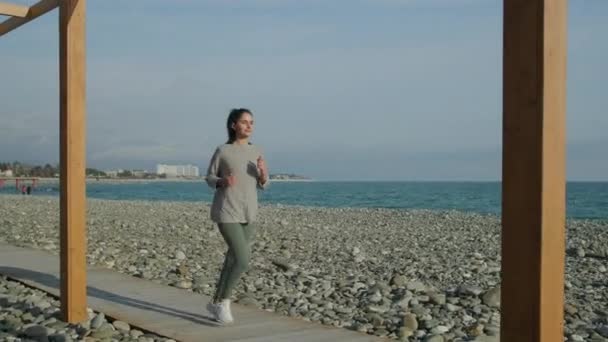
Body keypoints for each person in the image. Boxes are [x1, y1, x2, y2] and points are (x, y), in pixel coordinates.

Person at [205, 108, 269, 324]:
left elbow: (264, 184)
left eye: (252, 122)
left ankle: (214, 303)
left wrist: (263, 173)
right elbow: (209, 177)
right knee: (242, 259)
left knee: (232, 258)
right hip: (227, 210)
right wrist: (222, 182)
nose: (249, 126)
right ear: (234, 125)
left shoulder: (257, 150)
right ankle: (224, 302)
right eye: (244, 122)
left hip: (249, 212)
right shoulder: (223, 150)